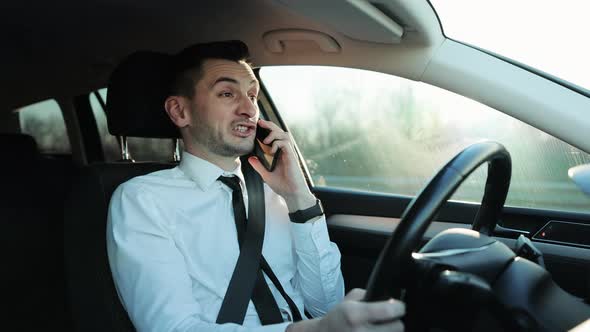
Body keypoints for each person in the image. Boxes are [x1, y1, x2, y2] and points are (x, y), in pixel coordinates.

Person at [106, 40, 405, 332]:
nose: (249, 109)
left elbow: (326, 306)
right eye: (227, 94)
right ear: (179, 112)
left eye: (252, 95)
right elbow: (172, 327)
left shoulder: (277, 193)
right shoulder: (142, 200)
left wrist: (299, 198)